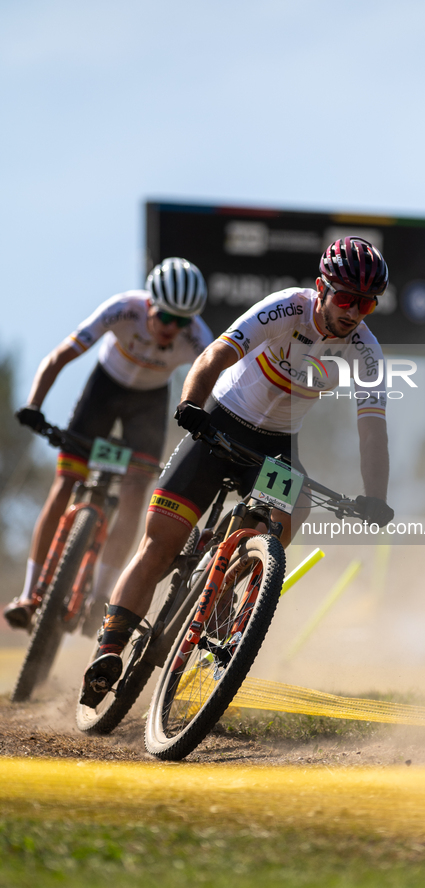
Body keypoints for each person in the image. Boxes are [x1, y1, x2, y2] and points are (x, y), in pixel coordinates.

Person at [80, 237, 394, 706]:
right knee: (159, 545)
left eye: (367, 303)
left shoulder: (367, 352)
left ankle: (223, 595)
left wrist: (375, 496)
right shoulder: (286, 307)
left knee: (294, 508)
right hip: (222, 423)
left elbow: (372, 430)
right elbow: (215, 356)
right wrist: (191, 405)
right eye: (346, 297)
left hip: (276, 448)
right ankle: (108, 649)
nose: (354, 311)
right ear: (321, 289)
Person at [4, 257, 213, 633]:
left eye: (183, 322)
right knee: (65, 483)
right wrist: (33, 405)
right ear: (150, 305)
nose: (172, 328)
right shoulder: (122, 310)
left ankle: (100, 596)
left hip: (147, 406)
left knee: (136, 496)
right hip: (103, 393)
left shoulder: (198, 337)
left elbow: (217, 385)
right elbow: (61, 355)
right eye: (167, 317)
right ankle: (30, 593)